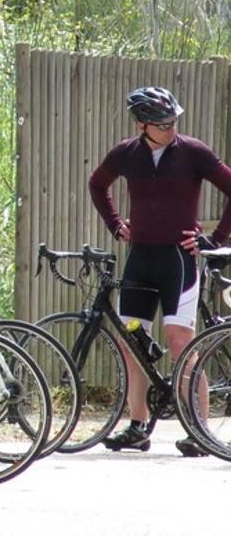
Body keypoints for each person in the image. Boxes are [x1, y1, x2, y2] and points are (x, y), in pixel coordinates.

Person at [89, 86, 231, 457]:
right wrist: (116, 224)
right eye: (161, 124)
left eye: (173, 122)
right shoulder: (127, 153)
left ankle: (199, 429)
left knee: (179, 339)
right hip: (141, 257)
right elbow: (97, 184)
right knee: (131, 340)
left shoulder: (193, 152)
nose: (170, 129)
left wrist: (214, 239)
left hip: (178, 259)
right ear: (142, 124)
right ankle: (138, 426)